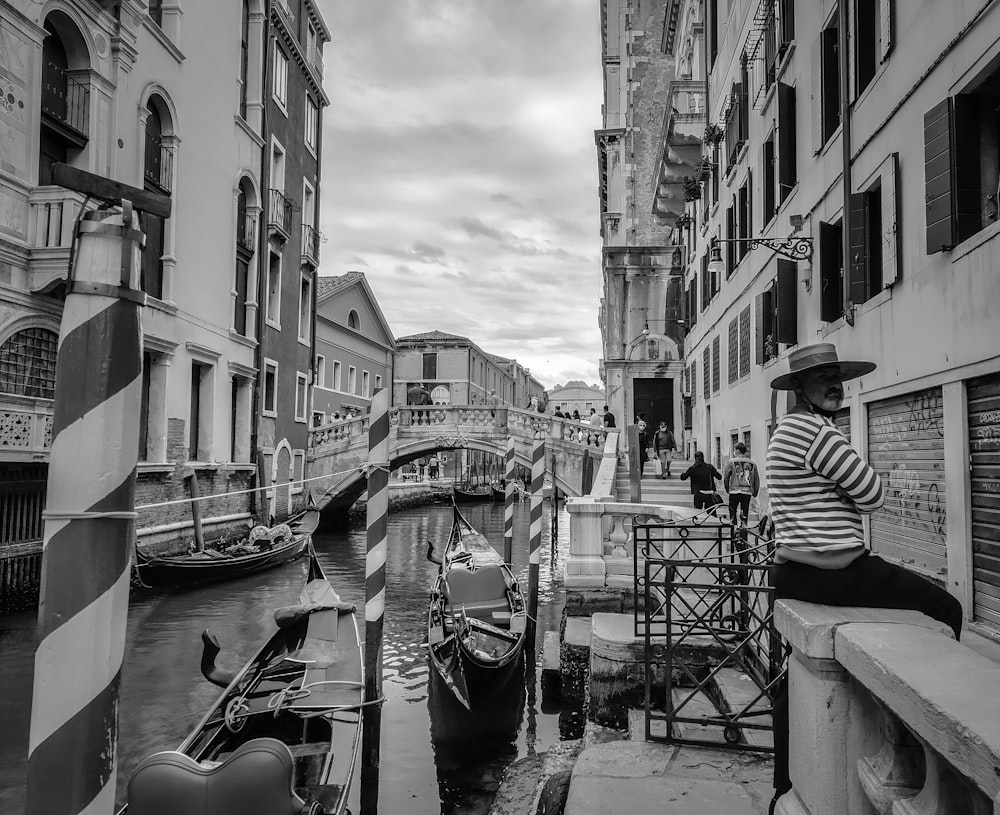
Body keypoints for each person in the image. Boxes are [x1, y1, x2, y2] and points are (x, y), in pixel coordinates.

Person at [765, 343, 962, 814]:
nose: (836, 384)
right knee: (947, 610)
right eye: (823, 377)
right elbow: (872, 494)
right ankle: (930, 745)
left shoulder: (783, 432)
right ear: (800, 388)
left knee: (788, 685)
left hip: (794, 573)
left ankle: (781, 787)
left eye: (838, 375)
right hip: (836, 571)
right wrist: (852, 488)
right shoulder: (818, 433)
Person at [722, 442, 759, 525]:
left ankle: (733, 528)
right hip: (747, 491)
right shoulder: (752, 463)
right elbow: (756, 479)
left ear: (737, 450)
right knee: (745, 512)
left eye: (735, 449)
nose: (734, 451)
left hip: (734, 491)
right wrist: (755, 492)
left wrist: (727, 488)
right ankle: (744, 530)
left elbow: (726, 477)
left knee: (732, 510)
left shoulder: (731, 462)